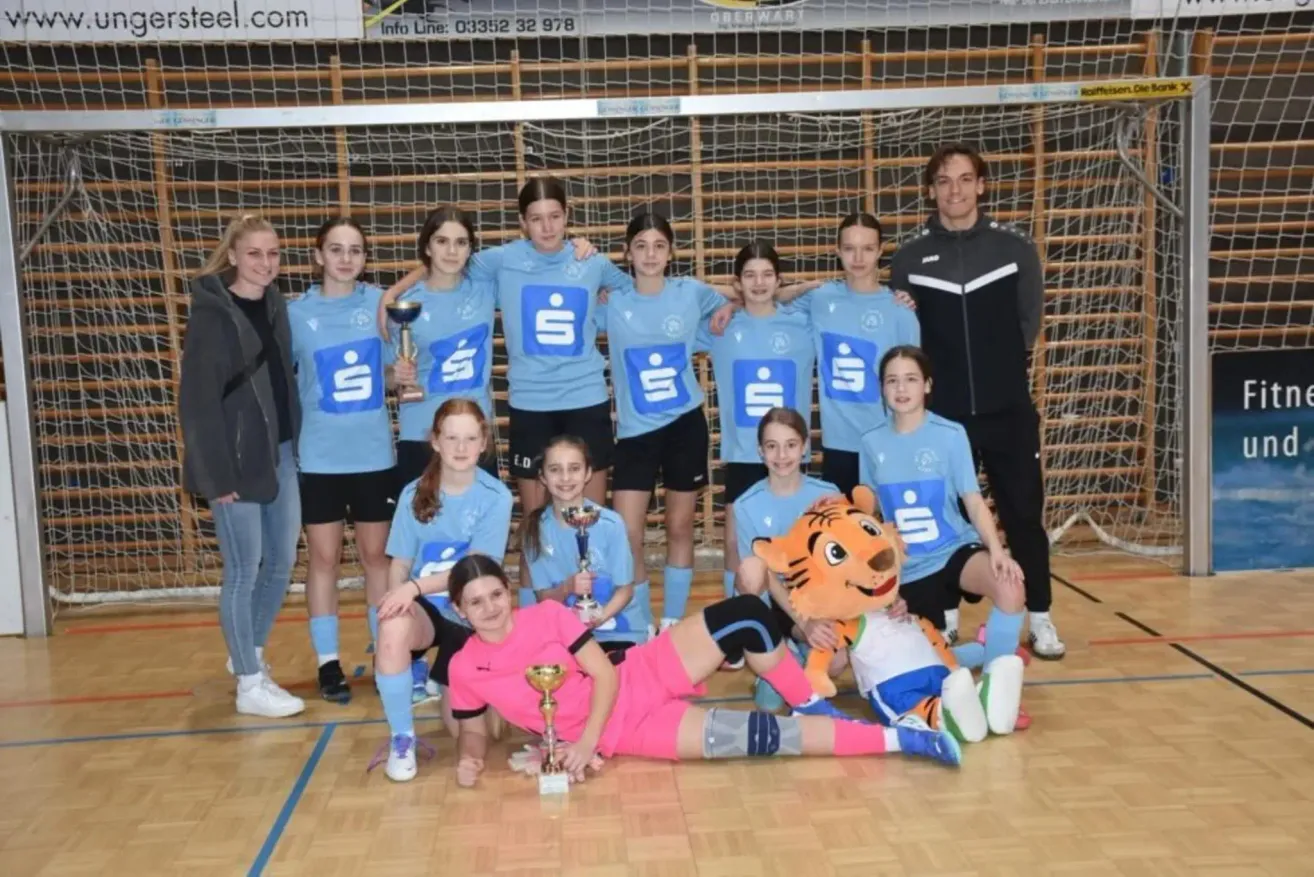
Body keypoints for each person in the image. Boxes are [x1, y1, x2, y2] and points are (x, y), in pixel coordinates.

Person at [442, 554, 961, 789]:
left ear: (507, 594)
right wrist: (469, 762)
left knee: (748, 615)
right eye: (475, 602)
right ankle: (906, 741)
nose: (489, 608)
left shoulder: (547, 616)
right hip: (632, 732)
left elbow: (605, 675)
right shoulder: (465, 666)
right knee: (772, 738)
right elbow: (470, 731)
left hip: (633, 675)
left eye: (495, 595)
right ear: (460, 611)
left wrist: (583, 746)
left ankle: (812, 700)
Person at [888, 142, 1063, 658]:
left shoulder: (1013, 250)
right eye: (944, 182)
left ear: (982, 185)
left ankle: (1042, 617)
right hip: (942, 417)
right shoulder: (910, 258)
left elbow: (1027, 324)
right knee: (941, 520)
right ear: (931, 191)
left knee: (1024, 515)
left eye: (965, 179)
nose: (955, 190)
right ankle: (942, 618)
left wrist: (997, 373)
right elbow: (910, 335)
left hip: (1007, 409)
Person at [381, 178, 628, 516]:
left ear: (567, 216)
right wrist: (390, 295)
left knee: (591, 519)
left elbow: (636, 291)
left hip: (585, 398)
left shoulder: (590, 261)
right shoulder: (501, 261)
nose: (547, 226)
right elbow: (445, 264)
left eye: (554, 216)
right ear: (523, 222)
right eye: (536, 218)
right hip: (528, 403)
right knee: (534, 524)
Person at [858, 346, 1031, 726]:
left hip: (953, 552)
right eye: (892, 381)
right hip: (908, 570)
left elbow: (972, 500)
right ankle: (985, 650)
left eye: (910, 379)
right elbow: (867, 521)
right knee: (924, 664)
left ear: (927, 385)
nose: (901, 389)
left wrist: (997, 551)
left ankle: (998, 691)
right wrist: (883, 587)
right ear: (882, 389)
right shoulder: (870, 443)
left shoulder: (950, 435)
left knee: (1010, 586)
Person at [179, 214, 304, 718]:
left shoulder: (275, 305)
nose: (266, 263)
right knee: (242, 570)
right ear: (232, 255)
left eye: (273, 253)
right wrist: (216, 478)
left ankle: (247, 658)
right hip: (233, 463)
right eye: (255, 253)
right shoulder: (212, 314)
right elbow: (198, 402)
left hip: (280, 453)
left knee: (280, 562)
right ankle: (249, 687)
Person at [597, 212, 734, 631]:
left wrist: (729, 305)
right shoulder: (612, 302)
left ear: (671, 252)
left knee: (679, 527)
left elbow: (742, 296)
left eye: (659, 246)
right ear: (627, 253)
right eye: (641, 246)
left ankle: (672, 619)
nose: (650, 254)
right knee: (627, 534)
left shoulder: (690, 293)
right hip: (636, 434)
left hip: (684, 427)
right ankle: (639, 622)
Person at [371, 398, 513, 782]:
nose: (461, 448)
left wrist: (413, 586)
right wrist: (398, 599)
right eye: (452, 438)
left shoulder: (497, 497)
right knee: (392, 627)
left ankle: (446, 675)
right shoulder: (412, 494)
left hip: (472, 614)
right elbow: (399, 563)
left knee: (488, 735)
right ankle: (402, 739)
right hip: (428, 612)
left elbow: (474, 570)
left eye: (470, 438)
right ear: (435, 441)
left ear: (484, 442)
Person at [288, 218, 398, 704]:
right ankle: (327, 662)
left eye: (355, 250)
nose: (346, 259)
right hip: (319, 456)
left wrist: (400, 374)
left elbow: (392, 377)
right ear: (318, 256)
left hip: (373, 453)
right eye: (336, 249)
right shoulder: (295, 315)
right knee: (325, 560)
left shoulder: (381, 305)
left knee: (378, 558)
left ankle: (385, 655)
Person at [698, 242, 815, 604]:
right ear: (738, 282)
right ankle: (738, 619)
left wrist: (796, 290)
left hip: (790, 457)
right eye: (750, 275)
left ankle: (803, 616)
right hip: (744, 454)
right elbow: (683, 289)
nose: (759, 283)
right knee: (735, 543)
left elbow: (837, 292)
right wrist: (729, 303)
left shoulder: (803, 324)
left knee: (798, 542)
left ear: (779, 280)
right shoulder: (718, 327)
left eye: (767, 275)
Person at [778, 213, 921, 497]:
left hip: (887, 440)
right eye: (849, 248)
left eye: (868, 248)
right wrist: (803, 287)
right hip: (838, 444)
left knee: (887, 534)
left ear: (880, 251)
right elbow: (765, 298)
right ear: (837, 251)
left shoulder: (899, 312)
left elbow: (916, 388)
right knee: (844, 533)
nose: (858, 258)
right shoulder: (820, 299)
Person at [730, 407, 844, 707]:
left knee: (836, 663)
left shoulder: (829, 496)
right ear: (760, 451)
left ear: (805, 447)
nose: (782, 455)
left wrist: (822, 619)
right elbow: (762, 576)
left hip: (815, 600)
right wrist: (803, 624)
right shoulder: (746, 505)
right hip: (772, 601)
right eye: (772, 446)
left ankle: (791, 662)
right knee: (753, 567)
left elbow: (842, 566)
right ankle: (769, 646)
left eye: (791, 445)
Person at [389, 206, 499, 484]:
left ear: (471, 249)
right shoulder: (404, 306)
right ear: (427, 247)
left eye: (461, 242)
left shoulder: (486, 288)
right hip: (422, 433)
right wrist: (396, 375)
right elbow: (387, 378)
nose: (452, 251)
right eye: (442, 241)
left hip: (474, 435)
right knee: (420, 525)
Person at [521, 436, 649, 653]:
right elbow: (543, 597)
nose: (565, 478)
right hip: (565, 633)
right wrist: (567, 587)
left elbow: (625, 591)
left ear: (588, 473)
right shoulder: (534, 529)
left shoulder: (611, 523)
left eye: (574, 469)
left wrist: (597, 619)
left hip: (617, 629)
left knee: (609, 677)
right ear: (542, 476)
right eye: (554, 469)